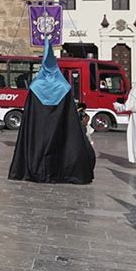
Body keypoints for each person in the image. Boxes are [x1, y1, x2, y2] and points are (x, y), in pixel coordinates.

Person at [8, 44, 96, 184]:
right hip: (59, 130)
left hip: (39, 130)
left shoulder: (35, 86)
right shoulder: (64, 86)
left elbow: (30, 115)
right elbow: (69, 117)